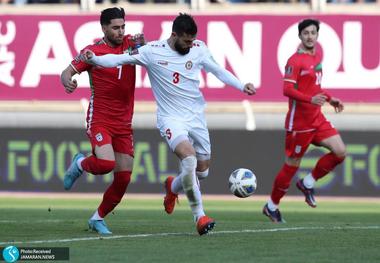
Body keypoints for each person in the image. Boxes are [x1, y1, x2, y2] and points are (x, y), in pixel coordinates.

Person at [83, 13, 256, 235]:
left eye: (192, 41)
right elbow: (118, 59)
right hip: (170, 119)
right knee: (190, 158)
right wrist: (94, 59)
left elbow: (218, 71)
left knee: (201, 172)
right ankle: (199, 216)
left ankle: (173, 186)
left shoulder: (199, 48)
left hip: (196, 118)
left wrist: (242, 86)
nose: (190, 45)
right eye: (186, 41)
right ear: (174, 35)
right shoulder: (152, 51)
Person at [60, 7, 144, 235]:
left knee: (124, 177)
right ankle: (79, 164)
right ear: (104, 28)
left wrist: (144, 46)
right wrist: (67, 82)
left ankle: (97, 218)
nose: (120, 31)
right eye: (115, 27)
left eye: (123, 26)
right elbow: (66, 72)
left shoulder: (131, 44)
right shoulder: (92, 51)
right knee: (106, 164)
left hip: (124, 123)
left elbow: (148, 54)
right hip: (101, 119)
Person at [263, 19, 346, 223]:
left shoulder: (316, 56)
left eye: (313, 33)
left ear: (317, 35)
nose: (310, 36)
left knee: (340, 152)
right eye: (306, 33)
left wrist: (329, 97)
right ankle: (271, 206)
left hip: (317, 118)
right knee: (291, 166)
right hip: (299, 124)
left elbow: (315, 87)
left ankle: (308, 182)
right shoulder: (294, 61)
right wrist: (311, 99)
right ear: (300, 36)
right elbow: (287, 90)